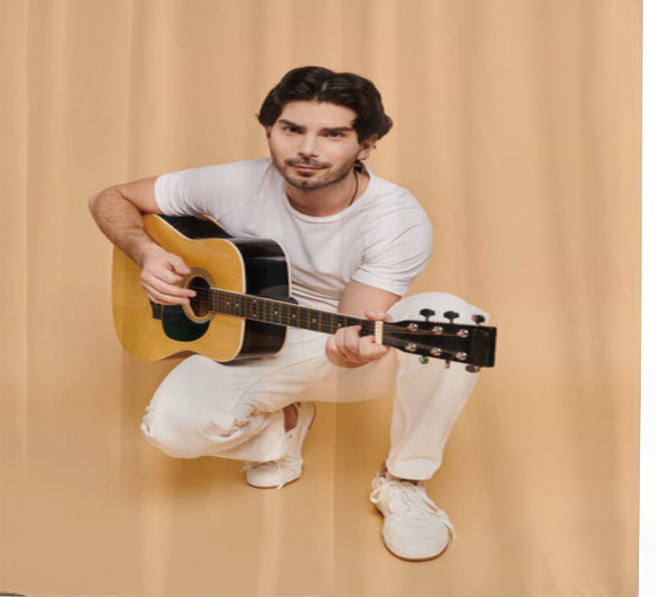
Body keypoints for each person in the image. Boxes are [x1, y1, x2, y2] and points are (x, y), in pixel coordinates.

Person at [88, 65, 489, 562]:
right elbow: (111, 198)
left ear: (365, 145)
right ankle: (284, 426)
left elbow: (356, 323)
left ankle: (404, 480)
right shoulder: (233, 182)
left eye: (333, 134)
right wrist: (147, 254)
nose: (307, 149)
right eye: (292, 129)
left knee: (448, 316)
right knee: (169, 430)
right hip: (251, 339)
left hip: (337, 344)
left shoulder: (397, 218)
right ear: (270, 131)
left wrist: (351, 350)